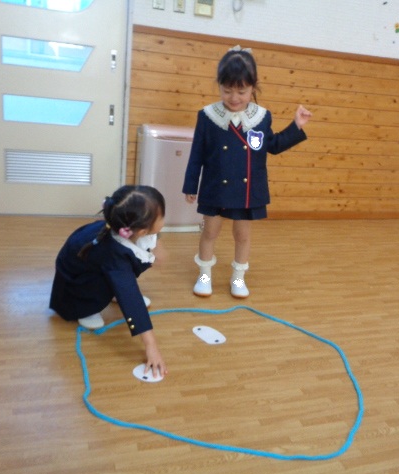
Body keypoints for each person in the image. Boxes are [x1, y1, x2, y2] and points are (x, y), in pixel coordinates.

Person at [182, 46, 312, 298]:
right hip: (215, 187)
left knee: (242, 235)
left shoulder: (261, 117)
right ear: (219, 85)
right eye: (227, 90)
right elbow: (197, 153)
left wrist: (296, 126)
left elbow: (272, 146)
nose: (234, 97)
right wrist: (190, 185)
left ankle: (238, 278)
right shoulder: (207, 116)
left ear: (253, 87)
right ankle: (204, 276)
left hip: (246, 189)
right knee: (209, 232)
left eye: (241, 91)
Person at [50, 185, 168, 378]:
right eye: (161, 217)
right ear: (142, 230)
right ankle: (85, 309)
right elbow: (131, 298)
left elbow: (152, 234)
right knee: (121, 282)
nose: (164, 220)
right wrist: (151, 346)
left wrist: (158, 246)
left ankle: (110, 292)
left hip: (92, 266)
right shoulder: (114, 254)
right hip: (76, 284)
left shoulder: (124, 225)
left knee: (120, 274)